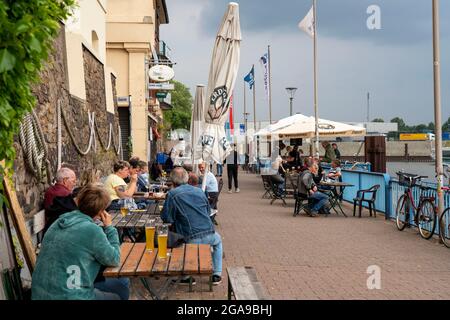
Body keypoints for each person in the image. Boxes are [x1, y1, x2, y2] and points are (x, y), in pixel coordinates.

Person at [32, 185, 129, 300]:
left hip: (40, 293)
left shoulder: (59, 222)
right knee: (121, 287)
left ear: (78, 202)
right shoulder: (92, 230)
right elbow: (114, 259)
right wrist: (109, 227)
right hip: (70, 295)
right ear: (100, 212)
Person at [161, 167, 223, 285]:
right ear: (187, 179)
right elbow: (207, 211)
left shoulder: (172, 194)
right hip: (209, 232)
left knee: (173, 239)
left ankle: (186, 276)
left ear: (172, 181)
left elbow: (167, 218)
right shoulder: (199, 191)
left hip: (189, 237)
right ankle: (217, 274)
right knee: (218, 242)